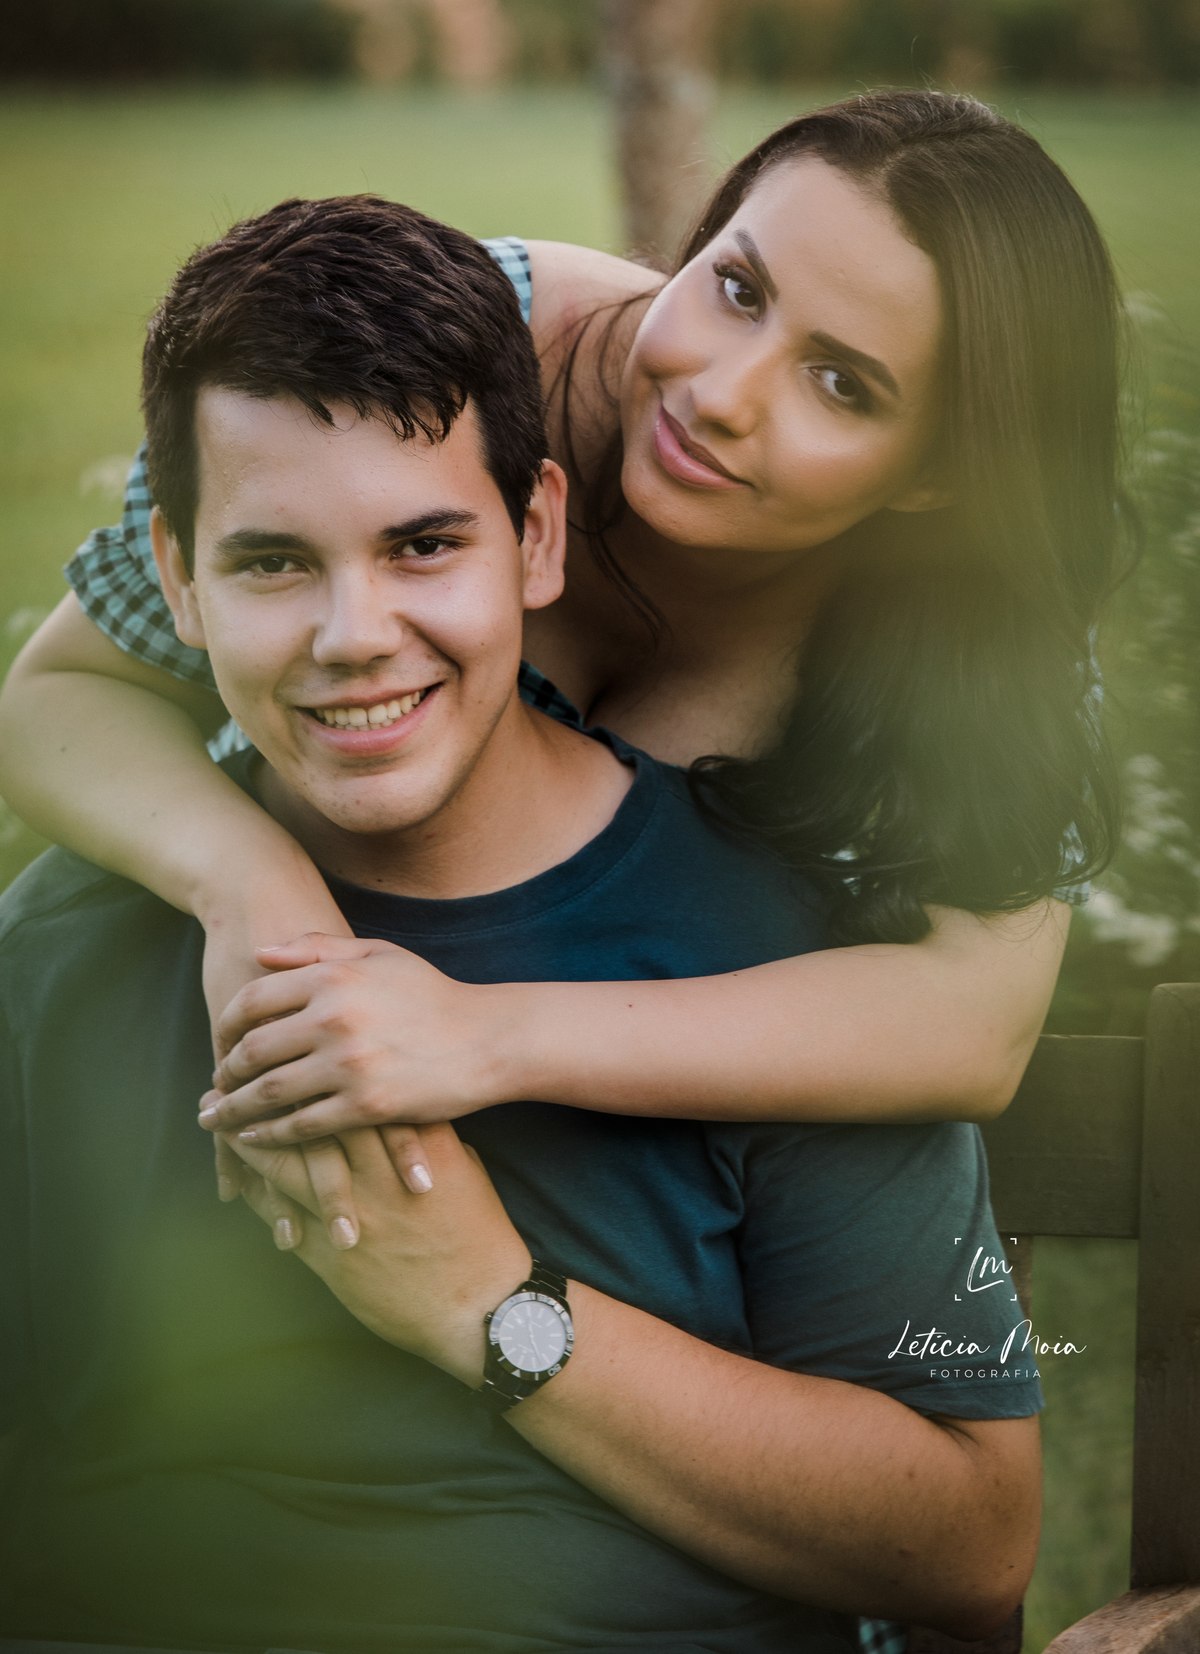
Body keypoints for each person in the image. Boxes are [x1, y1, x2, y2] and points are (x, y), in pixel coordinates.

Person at [0, 196, 1041, 1654]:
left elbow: (970, 1542)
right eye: (273, 561)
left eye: (425, 544)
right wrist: (271, 916)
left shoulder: (795, 967)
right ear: (174, 579)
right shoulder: (70, 943)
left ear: (536, 534)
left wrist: (492, 1310)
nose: (355, 635)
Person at [0, 93, 1126, 1229]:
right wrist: (261, 899)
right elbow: (62, 695)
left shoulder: (986, 625)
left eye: (842, 384)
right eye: (739, 289)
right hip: (225, 1063)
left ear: (941, 472)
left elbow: (975, 1024)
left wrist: (483, 1037)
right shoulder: (451, 359)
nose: (719, 395)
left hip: (655, 1201)